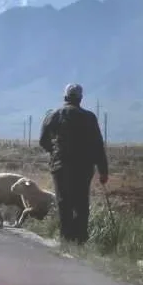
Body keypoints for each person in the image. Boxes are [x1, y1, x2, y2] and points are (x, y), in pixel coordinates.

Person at [39, 83, 109, 245]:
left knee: (64, 202)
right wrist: (103, 171)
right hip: (84, 167)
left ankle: (66, 239)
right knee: (81, 202)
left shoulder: (54, 115)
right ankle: (80, 240)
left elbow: (43, 140)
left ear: (65, 97)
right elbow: (98, 145)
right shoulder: (90, 117)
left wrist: (54, 151)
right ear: (80, 98)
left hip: (60, 166)